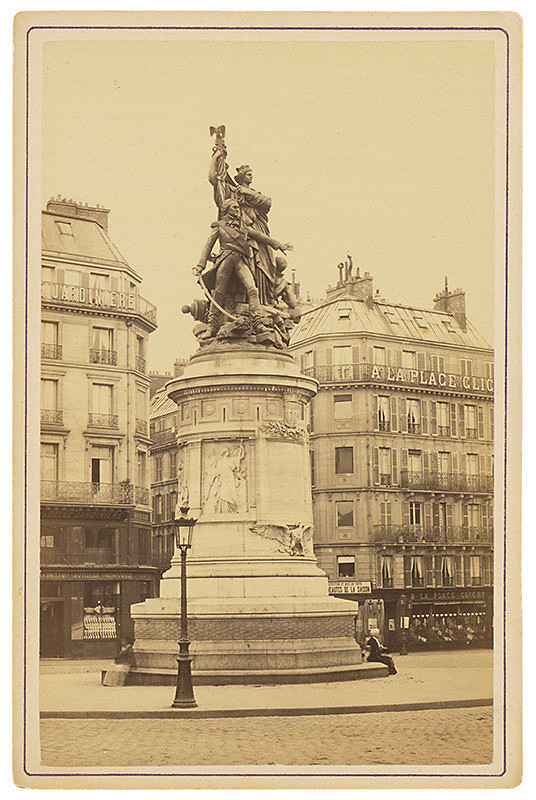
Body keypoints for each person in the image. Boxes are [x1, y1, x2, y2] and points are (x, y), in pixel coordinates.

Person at [194, 198, 292, 338]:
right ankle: (211, 328)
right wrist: (200, 266)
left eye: (237, 207)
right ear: (226, 210)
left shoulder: (243, 227)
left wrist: (278, 245)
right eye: (234, 207)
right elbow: (208, 245)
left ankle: (257, 323)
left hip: (240, 261)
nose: (237, 210)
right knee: (218, 294)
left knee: (252, 289)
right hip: (225, 260)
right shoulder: (219, 226)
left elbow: (260, 236)